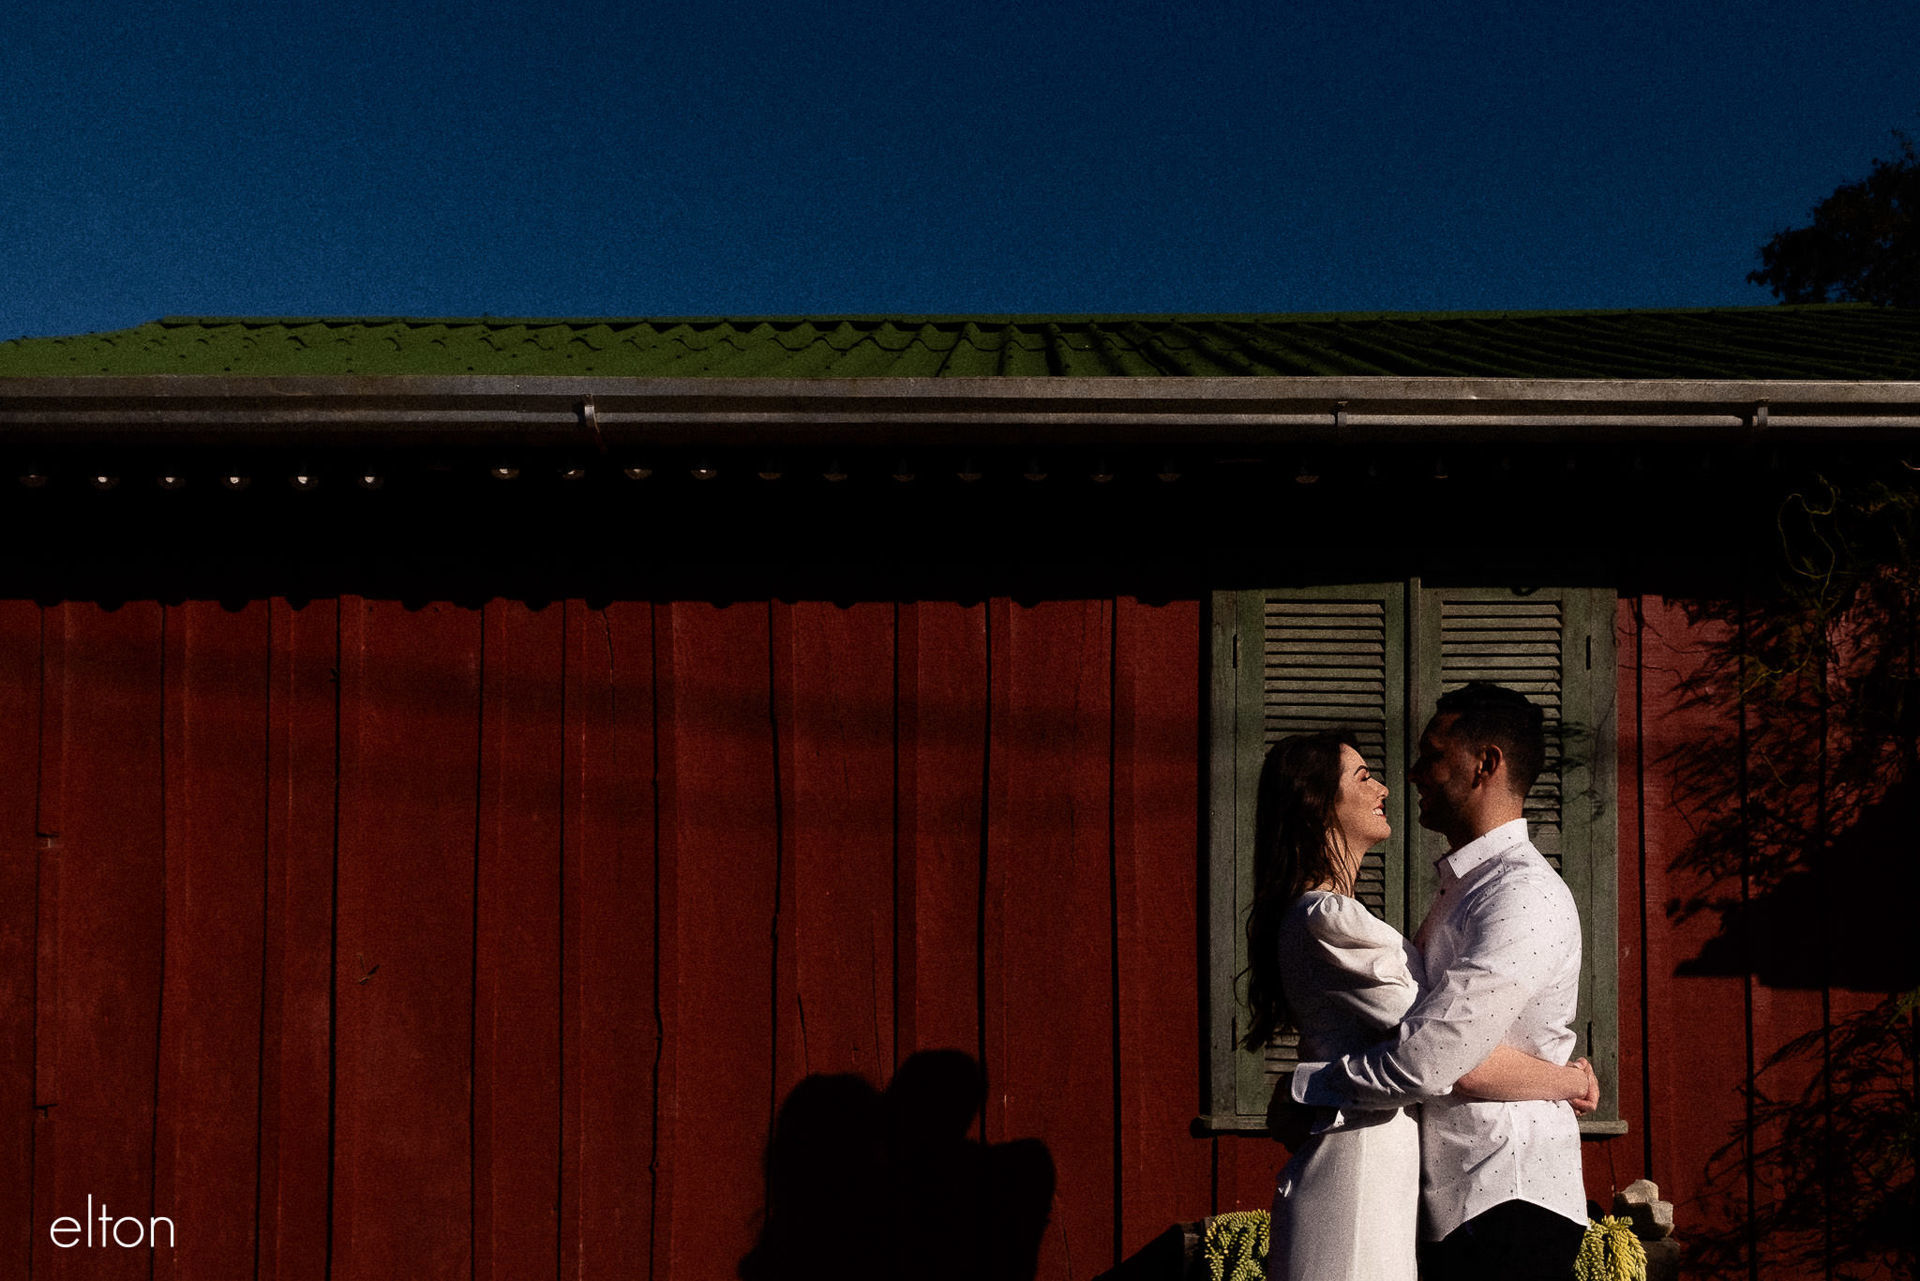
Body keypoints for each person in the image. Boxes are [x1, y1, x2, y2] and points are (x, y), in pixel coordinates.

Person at [1246, 725, 1596, 1281]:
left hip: (1441, 1176)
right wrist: (1570, 1082)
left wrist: (1311, 1087)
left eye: (1429, 757)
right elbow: (1443, 1055)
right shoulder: (1331, 920)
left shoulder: (1507, 892)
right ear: (1319, 804)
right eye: (1364, 776)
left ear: (1487, 764)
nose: (1390, 785)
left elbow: (1444, 1049)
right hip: (1362, 1168)